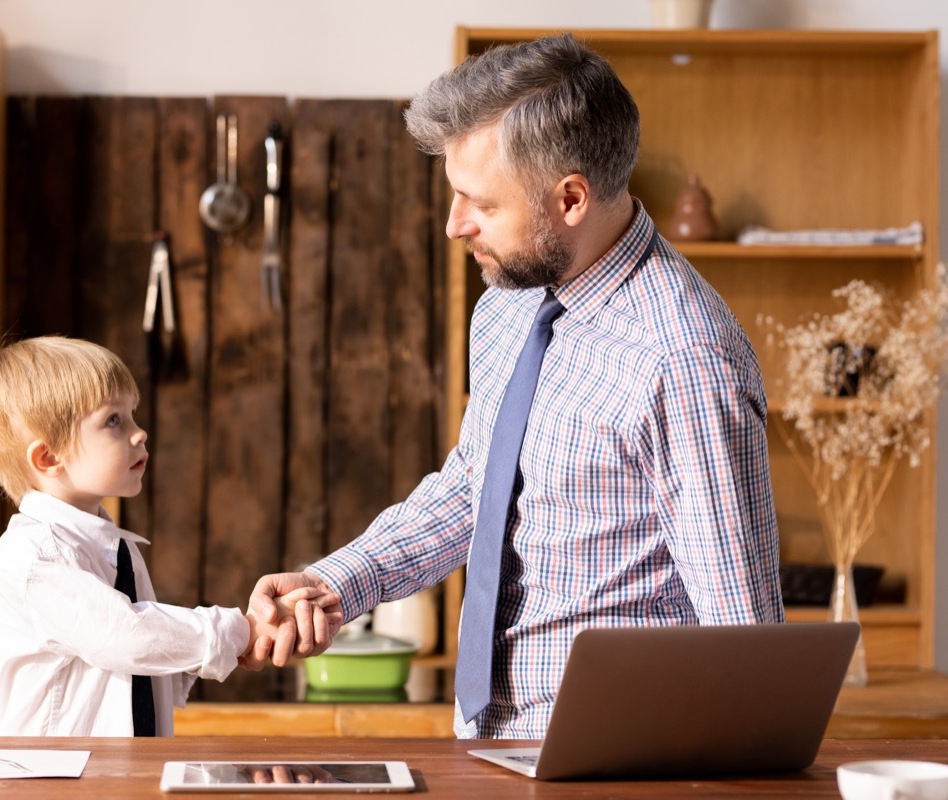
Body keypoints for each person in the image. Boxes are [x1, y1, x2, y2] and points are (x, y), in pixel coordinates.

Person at [246, 33, 784, 738]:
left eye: (481, 204)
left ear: (569, 199)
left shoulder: (681, 359)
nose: (453, 225)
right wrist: (341, 581)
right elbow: (479, 484)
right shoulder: (509, 300)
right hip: (493, 743)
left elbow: (746, 644)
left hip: (614, 760)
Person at [0, 335, 328, 736]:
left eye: (132, 415)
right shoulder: (34, 554)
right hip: (44, 779)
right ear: (49, 457)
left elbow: (142, 666)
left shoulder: (115, 549)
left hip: (111, 773)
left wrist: (248, 637)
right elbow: (125, 637)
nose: (140, 433)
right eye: (113, 421)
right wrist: (239, 632)